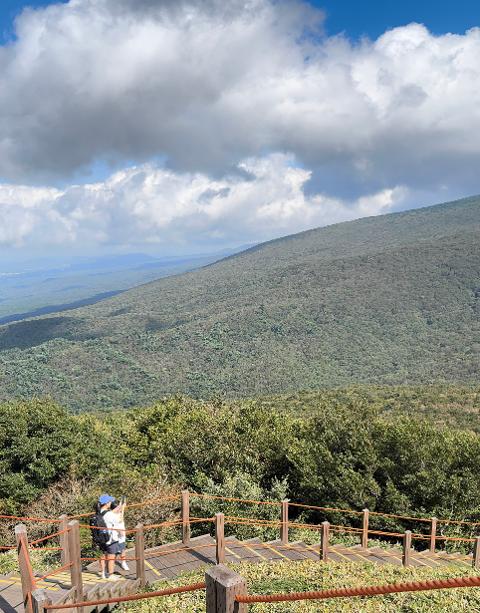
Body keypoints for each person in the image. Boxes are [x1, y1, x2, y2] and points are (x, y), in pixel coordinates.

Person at [94, 494, 121, 581]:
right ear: (106, 503)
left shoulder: (98, 513)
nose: (111, 503)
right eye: (110, 501)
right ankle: (111, 575)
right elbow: (118, 522)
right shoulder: (109, 513)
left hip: (100, 538)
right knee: (111, 556)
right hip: (110, 537)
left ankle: (103, 573)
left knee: (102, 555)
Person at [110, 496, 129, 571]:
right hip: (115, 535)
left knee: (123, 549)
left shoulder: (118, 512)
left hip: (121, 535)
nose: (119, 509)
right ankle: (111, 566)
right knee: (113, 551)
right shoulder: (111, 516)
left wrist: (123, 501)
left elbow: (123, 507)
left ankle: (123, 563)